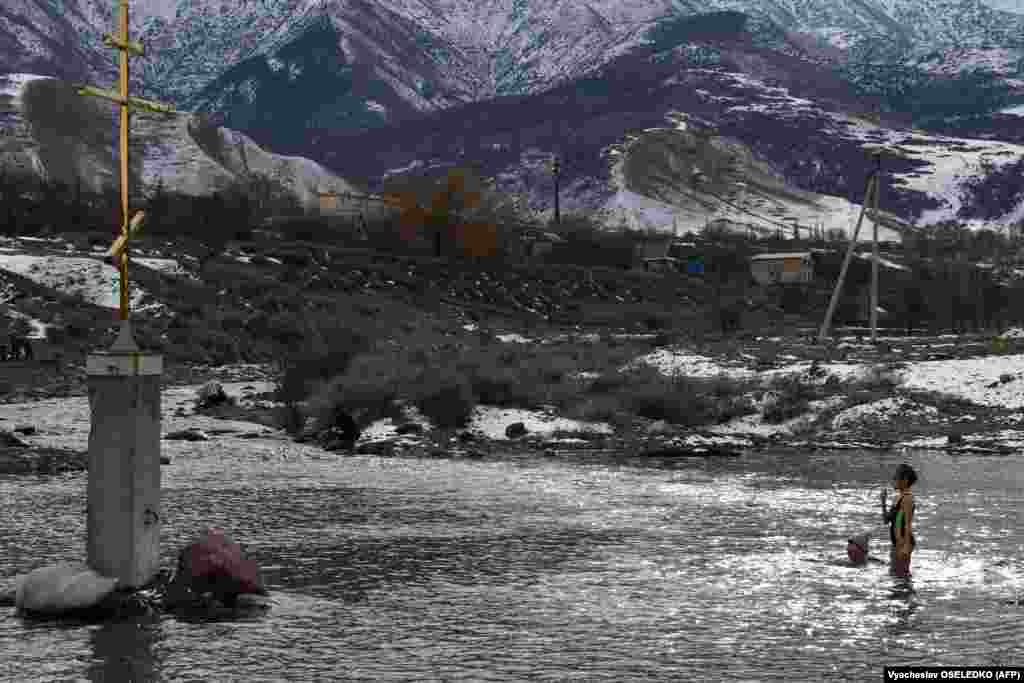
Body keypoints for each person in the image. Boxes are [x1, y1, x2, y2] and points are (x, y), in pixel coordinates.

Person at [880, 463, 917, 577]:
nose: (893, 480)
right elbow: (886, 520)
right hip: (897, 542)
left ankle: (906, 593)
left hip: (903, 542)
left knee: (901, 575)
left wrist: (905, 547)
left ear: (905, 480)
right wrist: (883, 501)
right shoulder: (897, 498)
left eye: (896, 477)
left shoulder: (908, 499)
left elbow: (907, 524)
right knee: (895, 574)